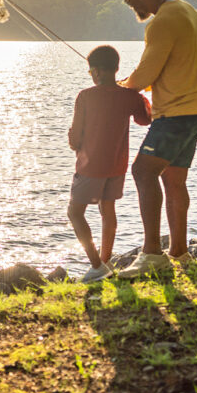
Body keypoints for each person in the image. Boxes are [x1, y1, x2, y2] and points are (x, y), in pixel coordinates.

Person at [117, 0, 197, 279]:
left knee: (142, 172)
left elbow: (147, 73)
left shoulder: (162, 22)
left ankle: (151, 253)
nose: (133, 6)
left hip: (177, 112)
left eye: (132, 0)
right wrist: (136, 81)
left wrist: (122, 86)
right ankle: (180, 252)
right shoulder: (189, 12)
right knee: (174, 180)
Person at [68, 45, 152, 283]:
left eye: (90, 71)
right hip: (117, 167)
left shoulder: (85, 96)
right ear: (115, 69)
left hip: (90, 167)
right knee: (108, 212)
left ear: (95, 71)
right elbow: (145, 119)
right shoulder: (129, 96)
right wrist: (135, 93)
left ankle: (96, 265)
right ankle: (104, 263)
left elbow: (75, 140)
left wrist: (72, 141)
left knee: (74, 213)